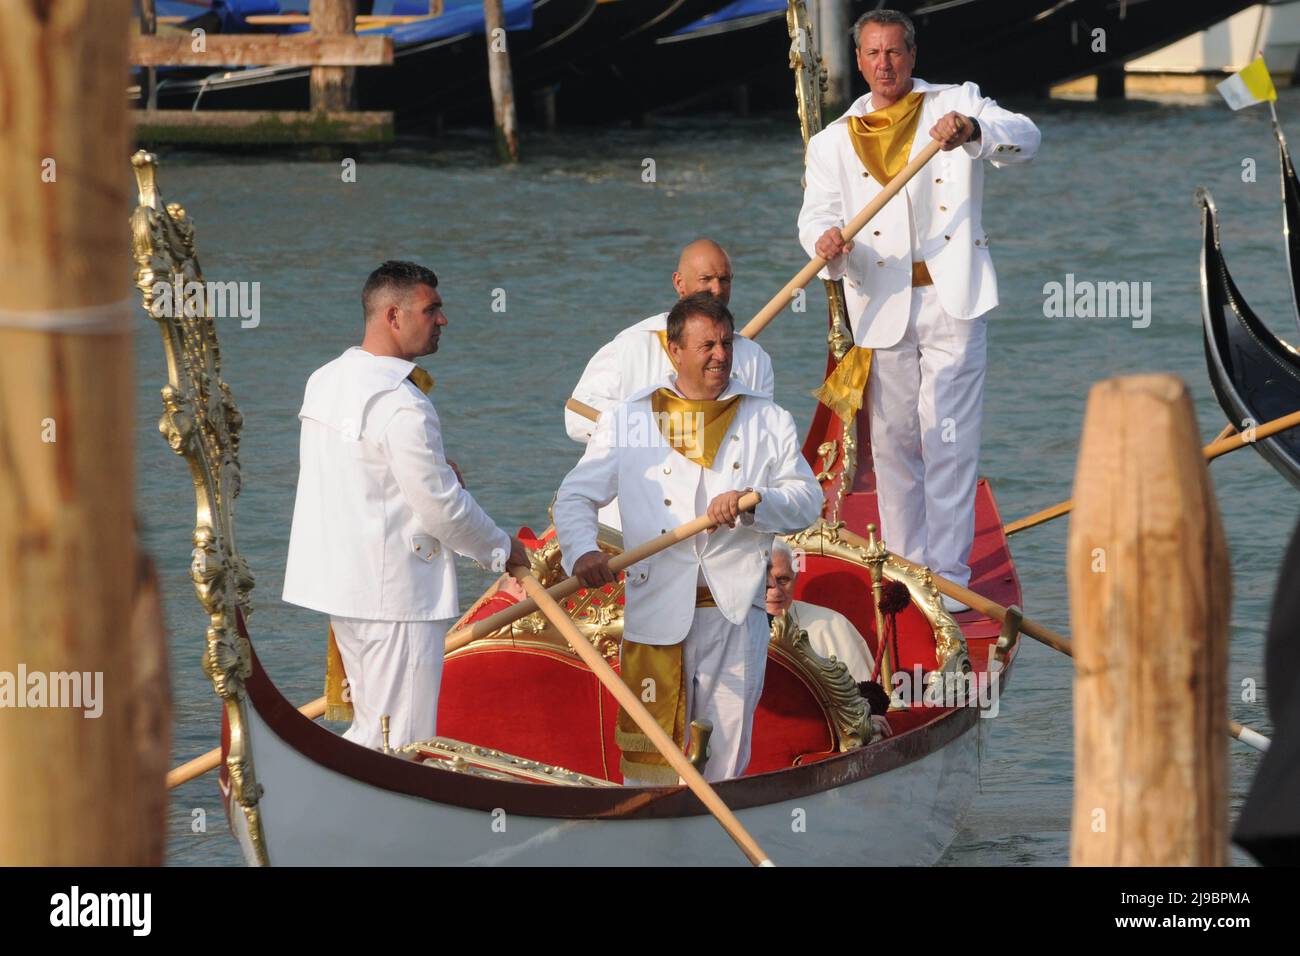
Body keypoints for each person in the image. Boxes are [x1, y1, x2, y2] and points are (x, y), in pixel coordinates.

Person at [797, 9, 1039, 611]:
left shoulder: (953, 104)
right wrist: (824, 241)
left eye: (895, 53)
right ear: (858, 62)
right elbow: (815, 215)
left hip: (952, 298)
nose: (885, 64)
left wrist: (974, 133)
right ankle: (907, 568)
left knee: (947, 435)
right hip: (879, 302)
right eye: (873, 54)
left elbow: (1026, 138)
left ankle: (950, 575)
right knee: (894, 438)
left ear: (912, 54)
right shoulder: (832, 142)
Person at [554, 293, 823, 785]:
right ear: (674, 351)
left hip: (735, 615)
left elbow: (808, 501)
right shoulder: (629, 419)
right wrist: (582, 552)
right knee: (648, 764)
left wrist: (755, 501)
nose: (720, 355)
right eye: (706, 346)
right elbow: (575, 498)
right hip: (655, 611)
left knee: (723, 763)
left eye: (726, 343)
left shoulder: (767, 419)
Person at [282, 261, 527, 750]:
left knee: (375, 728)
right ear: (394, 316)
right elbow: (440, 507)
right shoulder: (403, 404)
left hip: (345, 590)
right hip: (398, 597)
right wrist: (503, 552)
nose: (443, 320)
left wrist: (434, 475)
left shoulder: (324, 380)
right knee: (406, 741)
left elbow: (362, 474)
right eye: (431, 309)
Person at [564, 238, 774, 444]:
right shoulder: (632, 346)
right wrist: (655, 430)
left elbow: (762, 433)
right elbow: (578, 416)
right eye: (706, 279)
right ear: (679, 283)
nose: (717, 289)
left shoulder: (755, 358)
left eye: (724, 279)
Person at [764, 541, 893, 739]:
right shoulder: (727, 628)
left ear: (796, 577)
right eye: (765, 583)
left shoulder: (832, 624)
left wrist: (863, 717)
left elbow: (863, 700)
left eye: (783, 580)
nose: (774, 591)